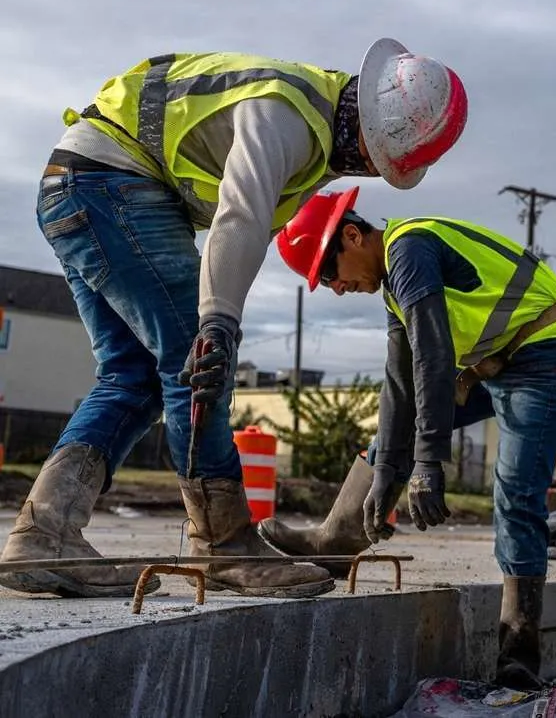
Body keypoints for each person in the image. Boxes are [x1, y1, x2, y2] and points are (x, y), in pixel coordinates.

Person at [0, 39, 468, 601]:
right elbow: (239, 217)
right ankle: (221, 543)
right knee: (191, 358)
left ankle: (43, 533)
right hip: (109, 185)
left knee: (133, 377)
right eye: (374, 158)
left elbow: (249, 237)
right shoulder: (285, 113)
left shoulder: (317, 142)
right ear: (365, 118)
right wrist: (217, 325)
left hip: (78, 187)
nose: (367, 170)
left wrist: (219, 315)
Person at [259, 186, 556, 690]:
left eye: (330, 274)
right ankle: (338, 539)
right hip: (504, 363)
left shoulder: (409, 250)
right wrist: (386, 475)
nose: (335, 288)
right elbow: (401, 386)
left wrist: (428, 465)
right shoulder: (393, 286)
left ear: (352, 236)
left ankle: (518, 649)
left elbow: (434, 356)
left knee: (515, 490)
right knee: (393, 433)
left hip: (551, 358)